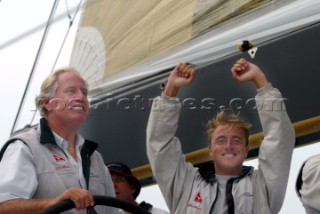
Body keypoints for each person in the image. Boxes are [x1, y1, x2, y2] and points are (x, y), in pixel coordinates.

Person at [146, 58, 295, 213]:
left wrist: (260, 80)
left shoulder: (262, 186)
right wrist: (171, 89)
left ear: (246, 149)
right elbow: (159, 144)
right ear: (210, 149)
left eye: (236, 140)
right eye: (221, 140)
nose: (228, 146)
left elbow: (280, 140)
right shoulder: (186, 183)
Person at [0, 67, 117, 214]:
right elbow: (3, 207)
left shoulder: (95, 158)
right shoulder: (24, 147)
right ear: (48, 103)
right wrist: (52, 204)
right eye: (71, 91)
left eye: (84, 93)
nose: (81, 97)